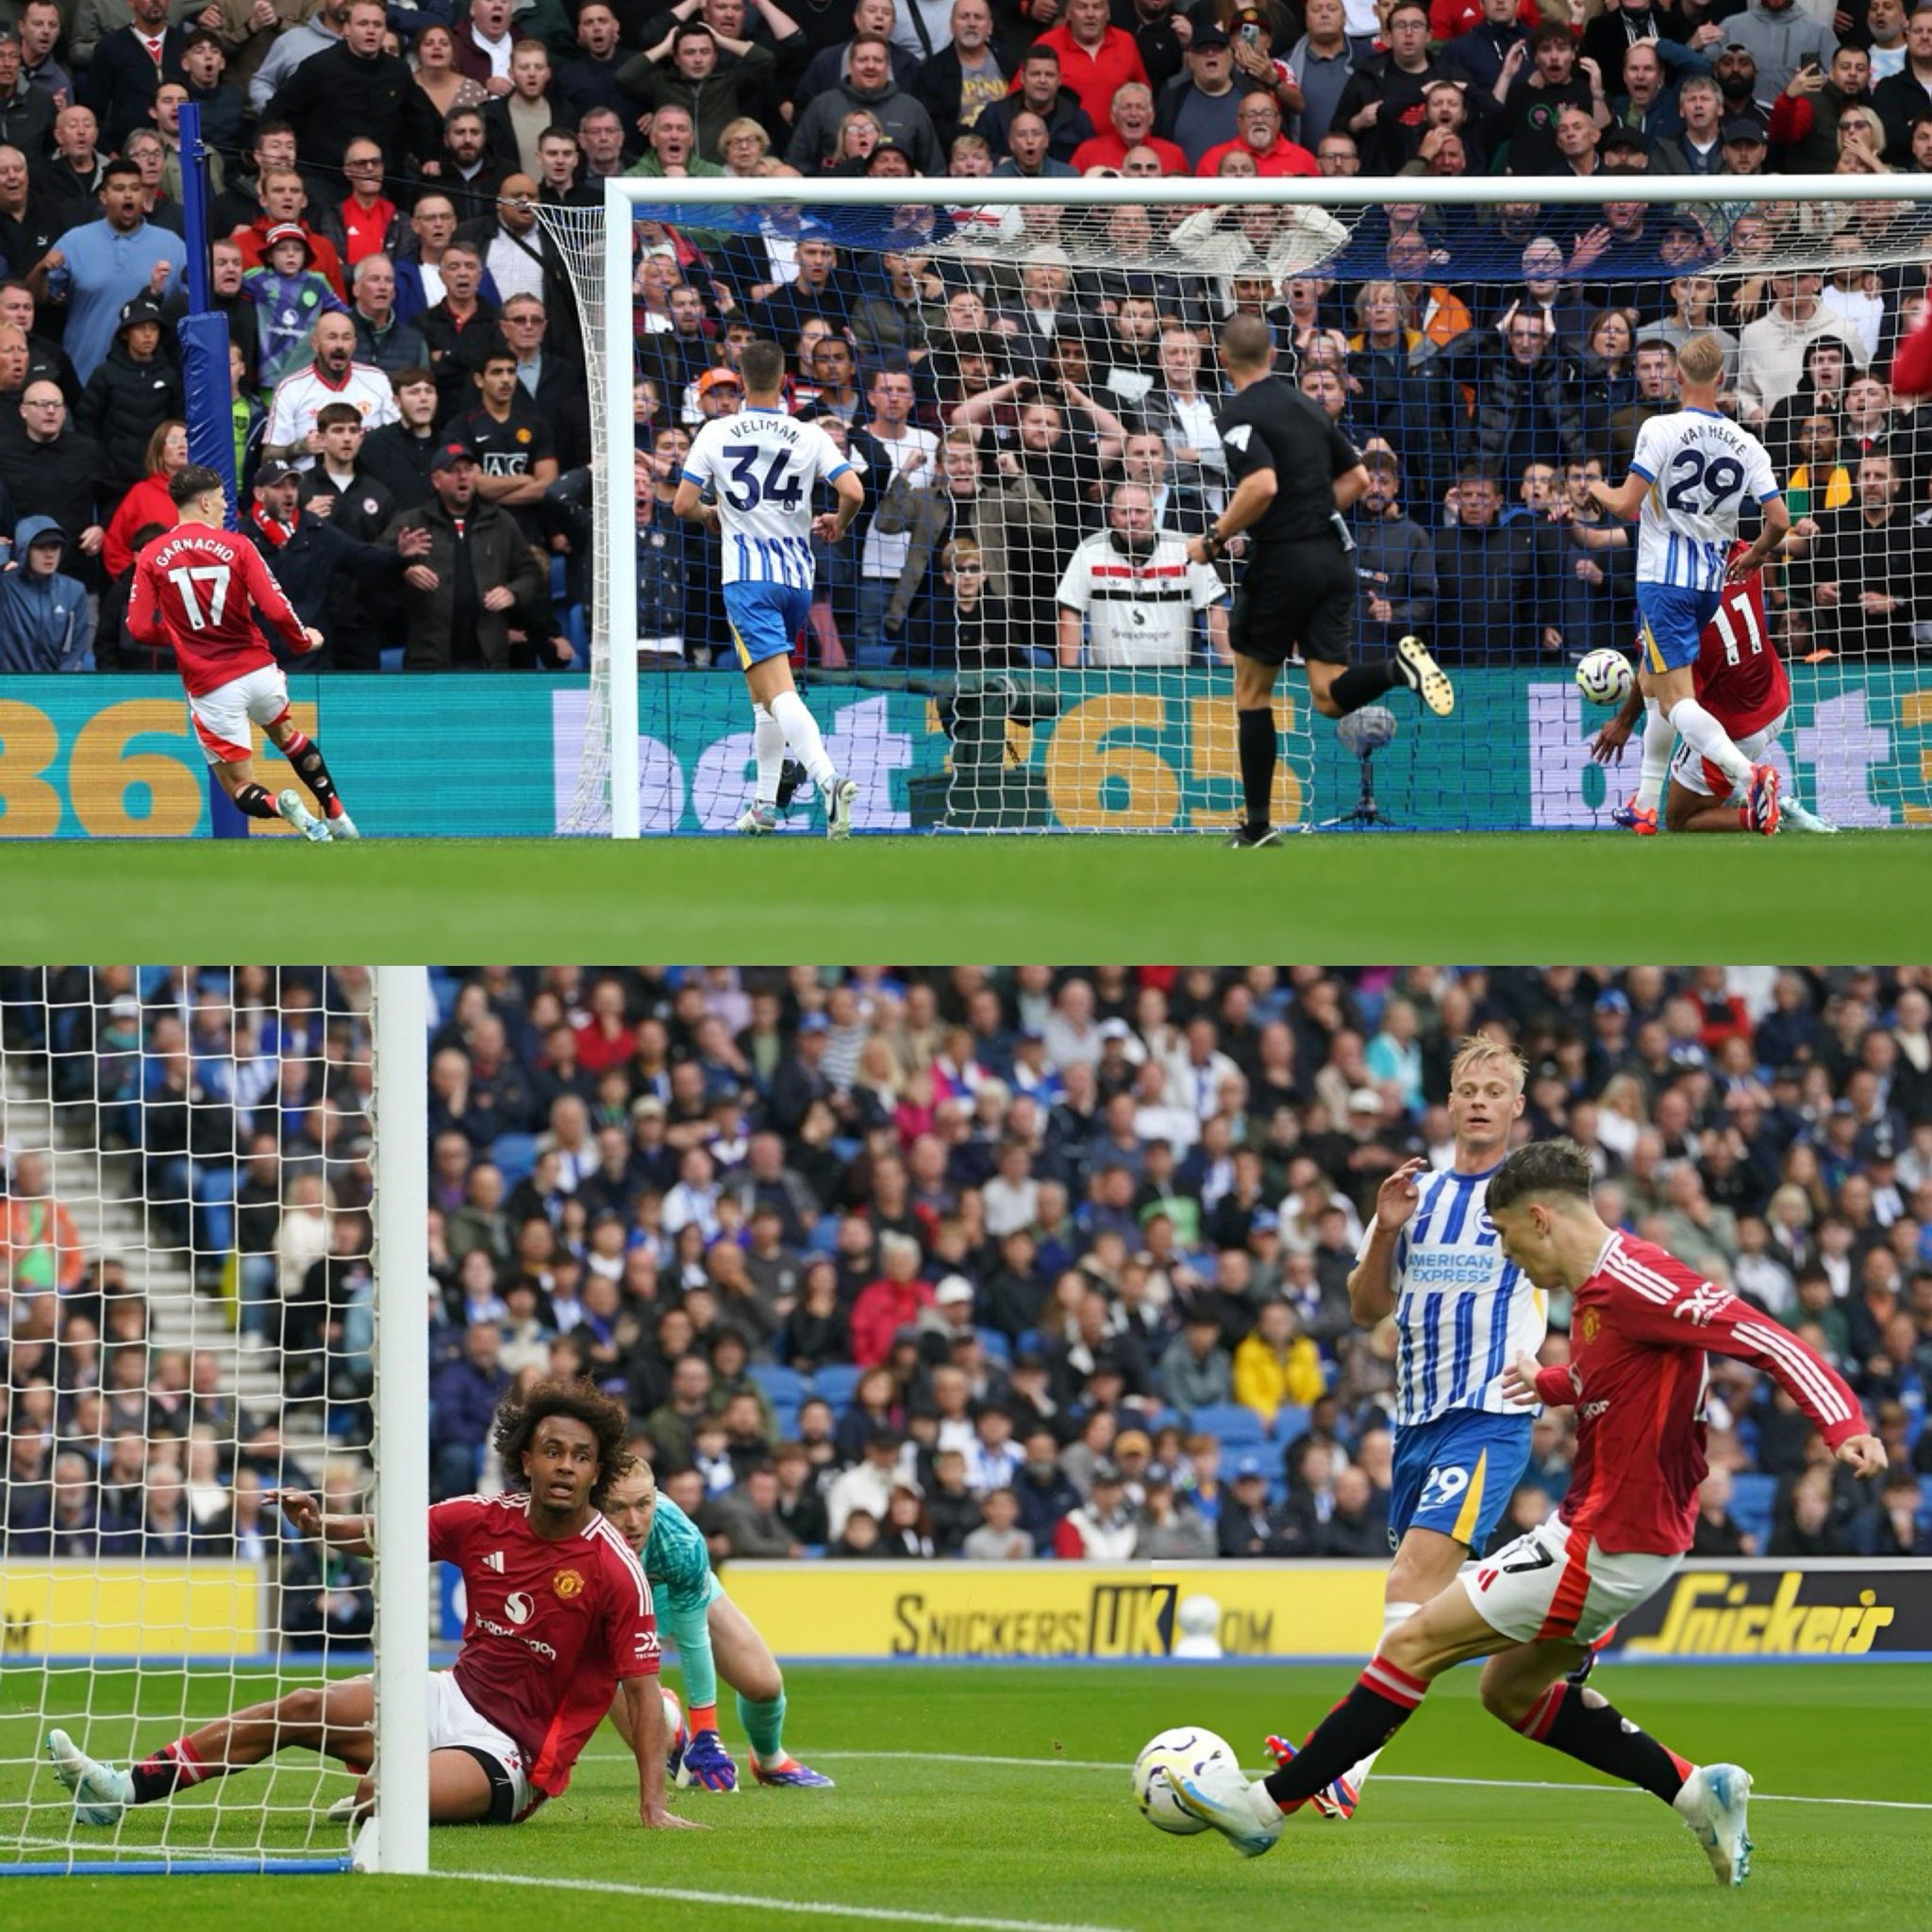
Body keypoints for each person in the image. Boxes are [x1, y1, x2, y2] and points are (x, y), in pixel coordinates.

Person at [1171, 1136, 1886, 1882]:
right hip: (1632, 1539)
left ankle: (1263, 1810)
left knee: (1414, 1642)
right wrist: (1551, 1384)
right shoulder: (1600, 1293)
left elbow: (1765, 1337)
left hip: (1604, 1540)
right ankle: (1695, 1792)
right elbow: (1622, 1373)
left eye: (1507, 1236)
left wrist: (1844, 1425)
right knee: (1509, 1692)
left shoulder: (1641, 1282)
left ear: (1539, 1218)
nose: (1508, 1256)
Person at [48, 1381, 691, 1833]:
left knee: (382, 1797)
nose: (565, 1467)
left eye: (581, 1458)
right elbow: (384, 1532)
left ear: (596, 1472)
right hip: (449, 1697)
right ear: (526, 1458)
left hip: (515, 1755)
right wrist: (320, 1522)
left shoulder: (613, 1568)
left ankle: (381, 1790)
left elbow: (640, 1691)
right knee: (300, 1707)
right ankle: (122, 1788)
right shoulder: (480, 1517)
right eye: (553, 1451)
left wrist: (652, 1805)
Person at [1308, 1036, 1540, 1820]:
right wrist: (1382, 1228)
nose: (1479, 1099)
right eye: (1467, 1087)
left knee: (1409, 1582)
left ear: (1517, 1108)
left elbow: (1589, 1279)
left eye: (1495, 1089)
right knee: (1433, 1603)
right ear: (1447, 1104)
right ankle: (1555, 1622)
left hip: (1490, 1413)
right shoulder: (1418, 1195)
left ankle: (1346, 1765)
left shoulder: (1533, 1199)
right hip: (1416, 1423)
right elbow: (1365, 1308)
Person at [1185, 314, 1453, 848]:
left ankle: (1257, 827)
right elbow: (1357, 478)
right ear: (1274, 355)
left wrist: (1212, 539)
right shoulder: (1308, 407)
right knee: (1330, 697)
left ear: (1222, 356)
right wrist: (1308, 512)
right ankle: (1398, 667)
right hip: (1332, 558)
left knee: (1252, 690)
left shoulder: (1237, 413)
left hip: (1282, 560)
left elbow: (1260, 485)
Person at [1587, 333, 1789, 838]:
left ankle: (1752, 776)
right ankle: (1645, 805)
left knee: (1676, 700)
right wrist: (1759, 554)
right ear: (1722, 378)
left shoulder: (1660, 428)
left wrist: (1593, 489)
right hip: (1709, 581)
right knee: (1655, 686)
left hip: (1663, 579)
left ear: (1678, 376)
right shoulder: (1748, 443)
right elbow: (1780, 520)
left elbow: (1628, 505)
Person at [671, 337, 865, 837]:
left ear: (740, 376)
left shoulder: (716, 432)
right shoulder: (809, 433)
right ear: (784, 380)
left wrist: (711, 513)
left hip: (748, 579)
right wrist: (839, 525)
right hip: (798, 580)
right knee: (762, 697)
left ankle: (828, 780)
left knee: (777, 693)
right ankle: (763, 807)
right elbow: (853, 492)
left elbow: (681, 505)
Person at [126, 463, 356, 842]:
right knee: (290, 737)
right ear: (203, 502)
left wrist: (179, 634)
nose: (224, 507)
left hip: (211, 684)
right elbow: (278, 608)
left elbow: (136, 627)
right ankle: (336, 813)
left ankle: (282, 807)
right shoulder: (238, 544)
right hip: (258, 671)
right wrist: (303, 642)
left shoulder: (152, 554)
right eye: (219, 500)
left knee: (239, 785)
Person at [601, 1457, 832, 1790]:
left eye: (643, 1504)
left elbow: (693, 1640)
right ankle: (674, 1737)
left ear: (656, 1496)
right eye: (618, 1507)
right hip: (614, 1608)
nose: (634, 1521)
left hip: (672, 1587)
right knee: (644, 1718)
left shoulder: (682, 1539)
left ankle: (770, 1760)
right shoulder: (576, 1536)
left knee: (764, 1685)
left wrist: (708, 1732)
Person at [1591, 540, 1836, 836]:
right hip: (1775, 697)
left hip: (1735, 726)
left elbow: (1652, 675)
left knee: (1681, 818)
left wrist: (1624, 720)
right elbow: (1777, 532)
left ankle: (1771, 814)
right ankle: (1663, 800)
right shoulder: (1742, 552)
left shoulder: (1674, 600)